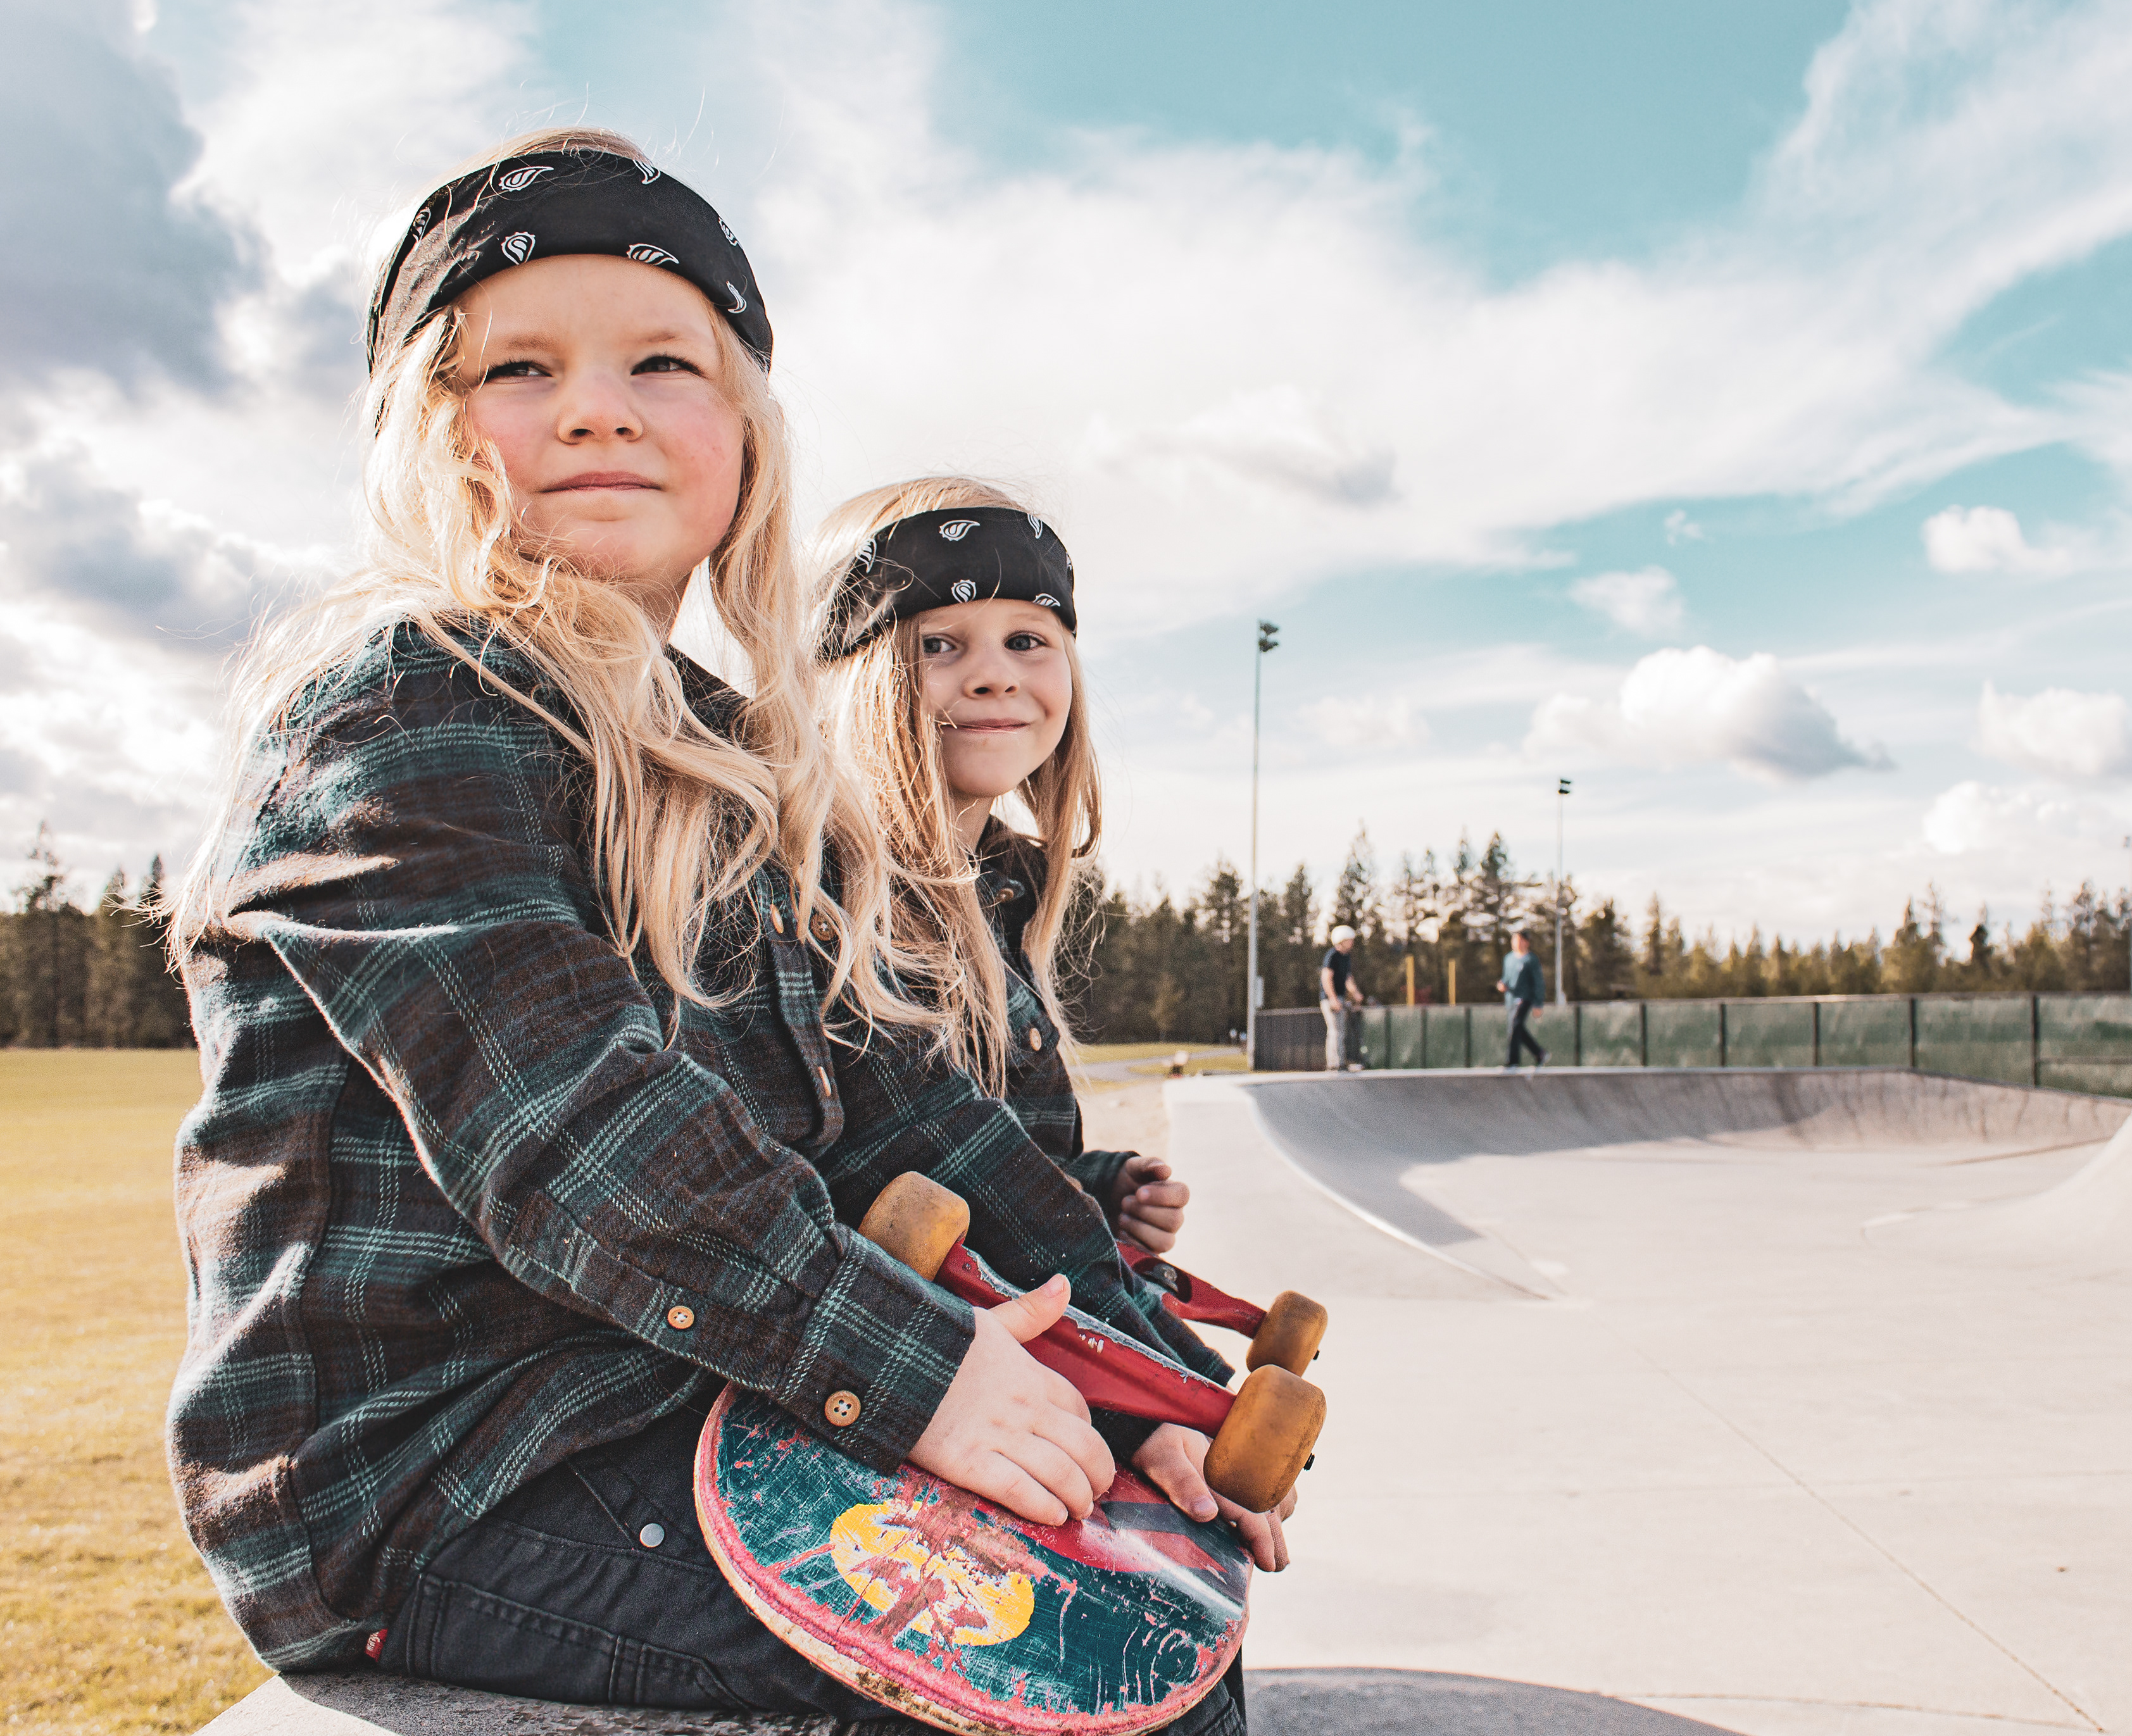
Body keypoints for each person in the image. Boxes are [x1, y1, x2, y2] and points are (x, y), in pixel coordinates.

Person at [163, 132, 1235, 1732]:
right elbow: (584, 1131)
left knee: (1163, 1595)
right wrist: (925, 1369)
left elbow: (908, 1111)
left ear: (742, 436)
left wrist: (1137, 1371)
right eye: (517, 368)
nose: (596, 406)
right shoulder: (400, 717)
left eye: (661, 360)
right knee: (1085, 1665)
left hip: (671, 1397)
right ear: (422, 441)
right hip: (440, 1477)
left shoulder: (729, 757)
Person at [805, 479, 1295, 1587]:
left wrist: (1098, 1180)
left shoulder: (1003, 891)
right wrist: (1155, 1400)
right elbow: (908, 1150)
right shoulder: (831, 889)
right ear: (851, 674)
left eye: (1030, 636)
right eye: (939, 642)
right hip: (885, 1360)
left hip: (1006, 1315)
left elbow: (1001, 1152)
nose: (994, 673)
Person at [1320, 923, 1366, 1071]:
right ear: (1342, 940)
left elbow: (1348, 979)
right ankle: (1334, 1064)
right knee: (1335, 1030)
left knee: (1341, 1031)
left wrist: (1356, 994)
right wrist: (1333, 999)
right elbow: (1326, 978)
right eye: (1349, 940)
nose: (1352, 943)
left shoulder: (1346, 958)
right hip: (1330, 999)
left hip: (1340, 998)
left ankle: (1340, 1061)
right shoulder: (1332, 955)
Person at [1502, 929, 1548, 1070]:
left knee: (1516, 1025)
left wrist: (1538, 1003)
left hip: (1525, 998)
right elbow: (1507, 978)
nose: (1517, 943)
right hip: (1511, 999)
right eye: (1515, 940)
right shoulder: (1508, 959)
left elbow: (1539, 982)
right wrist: (1503, 985)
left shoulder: (1531, 960)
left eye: (1520, 940)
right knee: (1517, 1029)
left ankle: (1513, 1061)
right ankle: (1539, 1053)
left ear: (1526, 942)